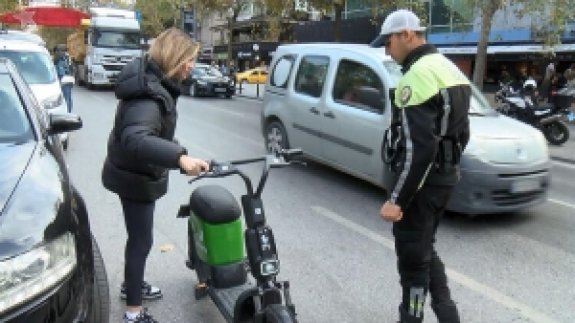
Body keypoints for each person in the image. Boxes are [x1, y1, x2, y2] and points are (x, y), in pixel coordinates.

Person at [101, 28, 210, 323]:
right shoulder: (149, 96)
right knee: (141, 241)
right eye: (188, 59)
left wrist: (178, 152)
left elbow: (149, 134)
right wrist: (179, 157)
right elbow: (136, 139)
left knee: (139, 238)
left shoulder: (153, 82)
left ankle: (130, 287)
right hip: (135, 177)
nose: (191, 66)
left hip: (132, 172)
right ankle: (133, 314)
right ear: (174, 57)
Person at [370, 9, 470, 323]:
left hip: (421, 187)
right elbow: (462, 132)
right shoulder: (448, 68)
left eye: (389, 42)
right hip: (444, 179)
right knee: (425, 248)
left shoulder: (416, 76)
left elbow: (418, 150)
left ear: (407, 35)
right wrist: (449, 168)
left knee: (413, 264)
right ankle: (448, 315)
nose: (387, 50)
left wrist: (397, 200)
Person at [53, 44, 73, 112]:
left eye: (56, 51)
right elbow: (71, 68)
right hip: (69, 78)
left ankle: (66, 112)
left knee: (64, 97)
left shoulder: (58, 57)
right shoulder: (68, 57)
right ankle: (69, 111)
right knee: (69, 97)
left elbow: (55, 68)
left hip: (63, 78)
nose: (55, 53)